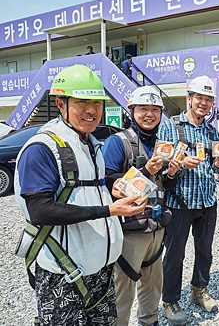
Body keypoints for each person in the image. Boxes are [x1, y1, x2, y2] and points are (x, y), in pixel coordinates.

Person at [13, 64, 145, 325]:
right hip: (63, 275)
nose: (92, 110)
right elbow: (39, 210)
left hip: (101, 272)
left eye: (97, 102)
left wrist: (111, 188)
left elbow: (83, 191)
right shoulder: (42, 148)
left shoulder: (90, 143)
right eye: (82, 102)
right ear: (60, 103)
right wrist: (110, 210)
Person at [103, 86, 181, 326]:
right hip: (130, 229)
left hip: (157, 226)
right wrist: (146, 171)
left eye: (155, 110)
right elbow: (109, 185)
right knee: (123, 288)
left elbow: (162, 185)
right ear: (131, 110)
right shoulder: (118, 143)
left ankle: (149, 321)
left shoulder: (161, 145)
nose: (149, 114)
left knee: (153, 284)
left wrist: (171, 175)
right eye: (143, 109)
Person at [157, 75, 219, 325]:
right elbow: (160, 164)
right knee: (175, 254)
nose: (204, 103)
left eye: (208, 99)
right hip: (179, 202)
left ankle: (199, 289)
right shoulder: (171, 126)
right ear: (189, 98)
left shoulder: (211, 131)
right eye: (199, 98)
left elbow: (214, 167)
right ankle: (169, 299)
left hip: (207, 201)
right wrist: (179, 165)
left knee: (205, 251)